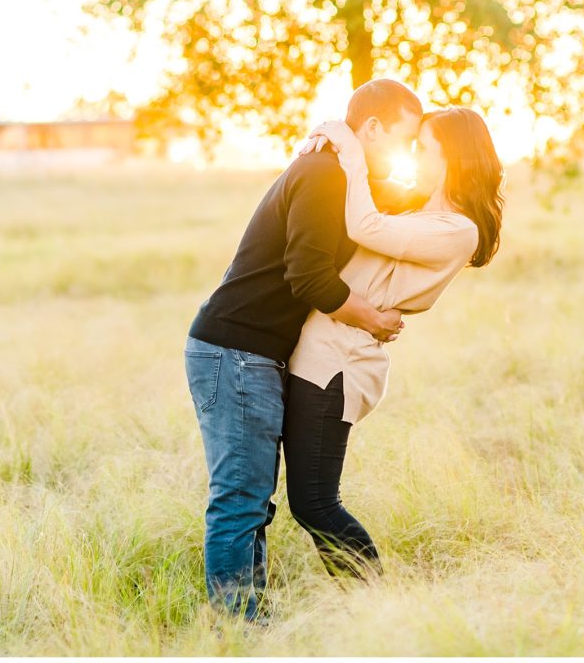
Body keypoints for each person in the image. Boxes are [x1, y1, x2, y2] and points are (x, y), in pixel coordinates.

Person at [183, 79, 423, 623]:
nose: (406, 154)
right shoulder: (323, 173)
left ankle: (253, 624)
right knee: (240, 501)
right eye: (403, 140)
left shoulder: (344, 174)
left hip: (252, 352)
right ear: (374, 128)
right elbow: (309, 277)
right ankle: (237, 634)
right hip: (234, 349)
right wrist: (374, 318)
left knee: (254, 504)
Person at [282, 107, 506, 580]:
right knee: (310, 502)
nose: (414, 156)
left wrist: (346, 144)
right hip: (323, 352)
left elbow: (365, 227)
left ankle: (374, 604)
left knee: (316, 503)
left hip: (337, 363)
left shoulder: (456, 229)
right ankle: (368, 604)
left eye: (423, 148)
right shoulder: (425, 209)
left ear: (453, 158)